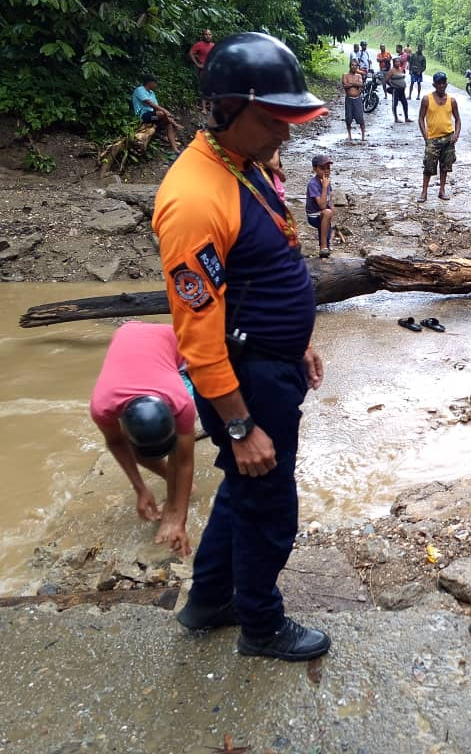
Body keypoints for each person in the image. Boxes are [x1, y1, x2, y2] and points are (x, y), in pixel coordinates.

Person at [153, 32, 330, 661]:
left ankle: (207, 600)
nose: (285, 133)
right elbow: (198, 338)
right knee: (269, 508)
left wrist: (300, 338)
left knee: (240, 490)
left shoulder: (240, 163)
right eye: (271, 119)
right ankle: (261, 626)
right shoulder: (194, 198)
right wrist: (239, 426)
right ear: (225, 108)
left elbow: (268, 263)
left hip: (271, 365)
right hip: (244, 382)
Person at [90, 321, 197, 557]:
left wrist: (177, 515)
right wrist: (140, 488)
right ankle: (168, 476)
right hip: (125, 332)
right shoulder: (102, 406)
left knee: (178, 452)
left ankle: (173, 493)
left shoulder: (181, 403)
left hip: (176, 340)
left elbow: (185, 461)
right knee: (137, 451)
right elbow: (117, 443)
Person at [417, 71, 461, 202]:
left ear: (446, 83)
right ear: (434, 84)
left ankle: (442, 190)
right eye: (439, 83)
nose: (442, 86)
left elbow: (458, 119)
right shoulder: (427, 99)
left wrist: (456, 134)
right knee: (429, 166)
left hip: (448, 137)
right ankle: (424, 191)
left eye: (444, 83)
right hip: (433, 138)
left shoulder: (452, 101)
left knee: (445, 166)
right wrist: (426, 137)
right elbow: (420, 118)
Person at [131, 74, 182, 154]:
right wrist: (166, 111)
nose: (156, 85)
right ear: (150, 83)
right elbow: (151, 104)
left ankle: (175, 149)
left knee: (168, 124)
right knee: (161, 114)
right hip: (144, 116)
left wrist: (166, 114)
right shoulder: (140, 90)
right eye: (155, 83)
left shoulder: (151, 93)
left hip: (153, 117)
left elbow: (156, 107)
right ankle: (174, 124)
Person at [306, 154, 334, 257]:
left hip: (323, 214)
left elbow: (330, 200)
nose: (326, 171)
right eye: (322, 168)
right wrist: (324, 187)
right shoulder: (313, 184)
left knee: (328, 223)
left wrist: (332, 211)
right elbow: (322, 206)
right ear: (315, 169)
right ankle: (323, 247)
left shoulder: (326, 181)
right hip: (313, 215)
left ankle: (326, 248)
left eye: (328, 168)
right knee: (326, 212)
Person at [189, 28, 215, 115]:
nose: (208, 36)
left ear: (212, 35)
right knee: (204, 88)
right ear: (203, 36)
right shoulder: (199, 44)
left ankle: (211, 107)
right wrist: (197, 63)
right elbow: (191, 53)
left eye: (209, 34)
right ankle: (203, 108)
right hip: (203, 70)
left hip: (212, 70)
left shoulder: (213, 45)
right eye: (206, 34)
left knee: (212, 88)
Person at [342, 58, 367, 143]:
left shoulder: (358, 76)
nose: (354, 67)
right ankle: (349, 134)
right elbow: (345, 85)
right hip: (349, 99)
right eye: (352, 65)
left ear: (357, 67)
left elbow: (361, 84)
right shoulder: (345, 75)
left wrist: (352, 84)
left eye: (355, 65)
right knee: (348, 118)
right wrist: (354, 84)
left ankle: (363, 135)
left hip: (357, 99)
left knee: (360, 118)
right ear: (350, 66)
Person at [386, 57, 410, 123]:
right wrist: (393, 85)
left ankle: (406, 118)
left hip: (402, 90)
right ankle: (396, 118)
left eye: (399, 62)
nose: (398, 63)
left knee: (405, 103)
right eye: (396, 62)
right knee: (395, 103)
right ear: (393, 63)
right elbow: (386, 80)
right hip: (396, 89)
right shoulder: (391, 70)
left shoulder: (400, 69)